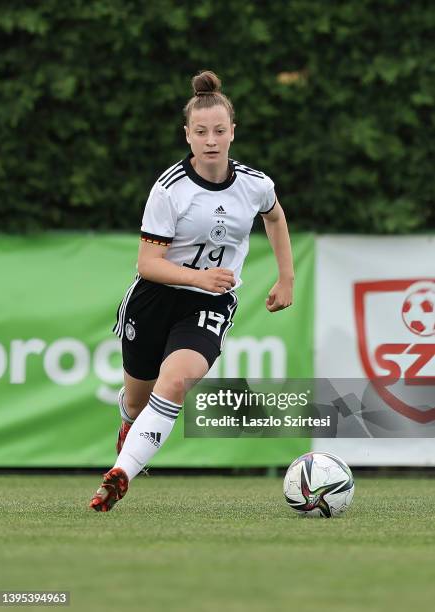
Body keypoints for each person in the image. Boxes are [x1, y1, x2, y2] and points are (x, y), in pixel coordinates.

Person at [90, 70, 294, 511]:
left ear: (233, 132)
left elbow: (274, 217)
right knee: (137, 398)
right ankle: (129, 426)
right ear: (188, 136)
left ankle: (120, 473)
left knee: (177, 381)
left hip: (210, 304)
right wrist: (198, 276)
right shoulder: (170, 190)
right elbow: (147, 264)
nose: (211, 139)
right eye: (201, 132)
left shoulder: (254, 184)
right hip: (156, 297)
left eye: (220, 130)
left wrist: (286, 277)